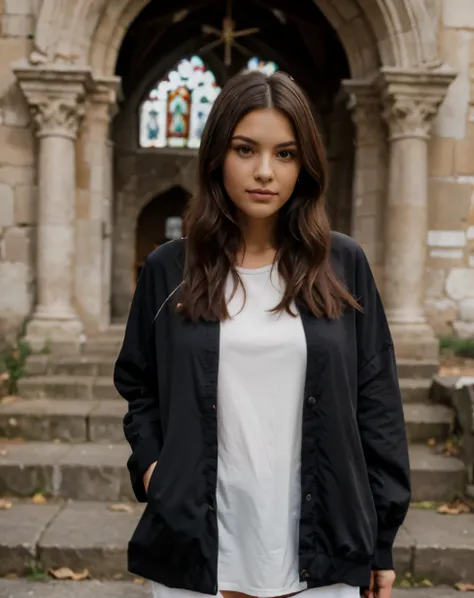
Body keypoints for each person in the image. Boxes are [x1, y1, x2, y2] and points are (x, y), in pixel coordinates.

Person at [114, 70, 411, 598]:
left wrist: (380, 538)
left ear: (306, 165)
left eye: (285, 154)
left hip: (320, 543)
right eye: (245, 149)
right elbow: (139, 383)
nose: (264, 172)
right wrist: (156, 470)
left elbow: (377, 400)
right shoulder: (168, 269)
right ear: (215, 158)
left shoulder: (343, 264)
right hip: (199, 538)